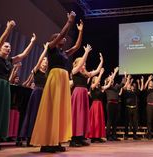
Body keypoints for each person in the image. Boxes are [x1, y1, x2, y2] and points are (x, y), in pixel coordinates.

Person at [30, 11, 89, 153]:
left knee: (59, 110)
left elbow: (76, 47)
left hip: (62, 80)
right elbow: (62, 34)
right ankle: (47, 142)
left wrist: (80, 32)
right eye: (59, 38)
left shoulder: (63, 53)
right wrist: (69, 22)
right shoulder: (51, 48)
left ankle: (55, 140)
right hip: (55, 78)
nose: (63, 39)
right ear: (55, 40)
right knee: (52, 109)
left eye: (61, 38)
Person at [0, 20, 36, 151]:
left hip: (4, 87)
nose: (8, 48)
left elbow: (24, 55)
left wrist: (32, 42)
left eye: (9, 47)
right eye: (6, 46)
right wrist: (8, 29)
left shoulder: (10, 61)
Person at [70, 52, 103, 147]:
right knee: (77, 115)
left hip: (84, 94)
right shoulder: (74, 71)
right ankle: (74, 139)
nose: (84, 65)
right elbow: (80, 64)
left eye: (85, 64)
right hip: (78, 93)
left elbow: (96, 71)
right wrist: (86, 53)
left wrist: (101, 61)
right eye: (82, 63)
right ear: (77, 64)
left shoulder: (86, 74)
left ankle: (80, 137)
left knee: (83, 116)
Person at [19, 43, 49, 146]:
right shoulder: (36, 71)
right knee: (34, 114)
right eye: (43, 61)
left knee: (42, 116)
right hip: (37, 93)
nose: (45, 63)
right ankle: (30, 137)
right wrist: (45, 50)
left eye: (46, 61)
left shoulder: (48, 74)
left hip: (44, 95)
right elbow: (39, 60)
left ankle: (39, 137)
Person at [86, 68, 113, 143]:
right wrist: (100, 74)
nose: (99, 80)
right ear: (94, 81)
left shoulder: (100, 88)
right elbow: (95, 83)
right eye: (97, 79)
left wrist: (111, 78)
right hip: (95, 106)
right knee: (95, 121)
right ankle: (93, 137)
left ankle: (98, 136)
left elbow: (107, 86)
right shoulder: (92, 87)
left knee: (99, 121)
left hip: (100, 105)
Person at [122, 75, 141, 140]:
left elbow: (139, 91)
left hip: (134, 108)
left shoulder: (134, 91)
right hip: (128, 108)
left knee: (134, 122)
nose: (130, 86)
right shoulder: (125, 92)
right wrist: (128, 79)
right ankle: (126, 135)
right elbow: (124, 87)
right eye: (129, 85)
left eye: (130, 85)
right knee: (127, 122)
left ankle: (135, 135)